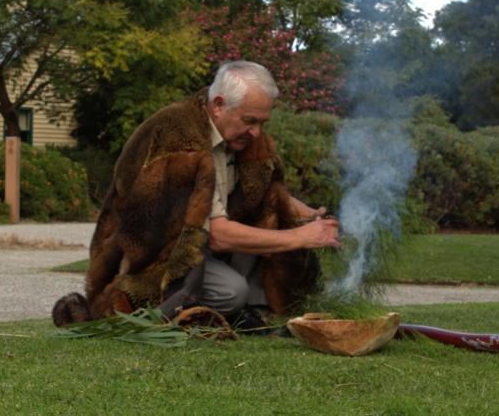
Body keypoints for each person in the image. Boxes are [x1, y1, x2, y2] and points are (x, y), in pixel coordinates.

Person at [52, 61, 339, 329]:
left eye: (263, 123)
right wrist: (302, 237)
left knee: (275, 228)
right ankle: (203, 309)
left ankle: (255, 313)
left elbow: (268, 196)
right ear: (218, 105)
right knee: (232, 292)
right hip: (151, 256)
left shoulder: (237, 135)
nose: (256, 132)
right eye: (250, 121)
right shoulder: (176, 139)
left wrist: (306, 215)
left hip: (204, 247)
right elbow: (216, 233)